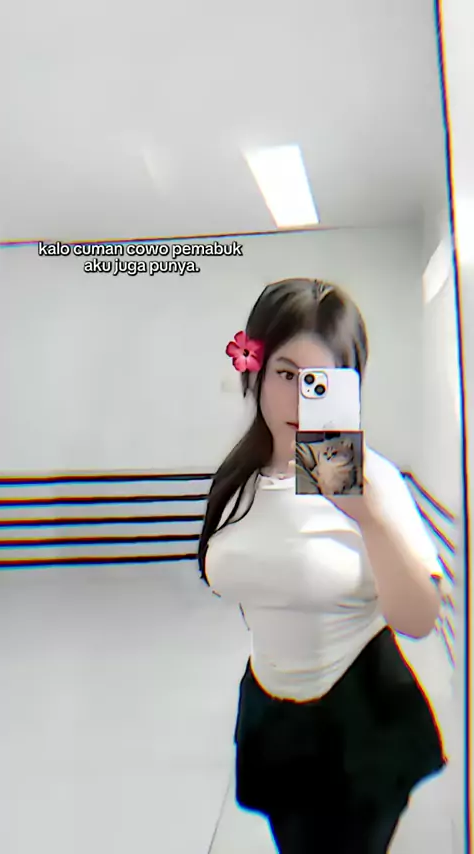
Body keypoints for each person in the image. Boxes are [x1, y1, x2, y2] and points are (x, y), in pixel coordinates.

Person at [198, 278, 446, 853]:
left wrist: (370, 516)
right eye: (286, 374)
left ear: (347, 387)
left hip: (360, 719)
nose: (299, 399)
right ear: (256, 371)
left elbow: (418, 619)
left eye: (320, 382)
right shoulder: (239, 481)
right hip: (273, 712)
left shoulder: (372, 480)